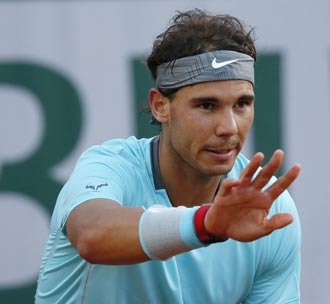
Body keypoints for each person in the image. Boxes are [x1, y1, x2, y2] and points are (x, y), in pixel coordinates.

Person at [35, 9, 301, 303]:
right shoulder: (109, 167)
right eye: (207, 106)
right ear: (161, 106)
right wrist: (205, 224)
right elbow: (91, 234)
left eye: (241, 104)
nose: (229, 127)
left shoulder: (267, 207)